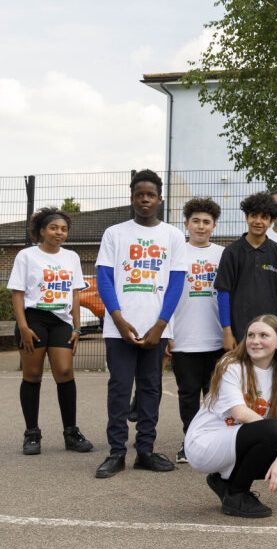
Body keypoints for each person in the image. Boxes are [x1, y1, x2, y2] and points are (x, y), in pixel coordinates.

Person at [94, 169, 187, 478]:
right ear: (132, 198)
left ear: (159, 199)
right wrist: (118, 319)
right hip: (119, 327)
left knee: (150, 388)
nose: (144, 199)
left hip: (155, 327)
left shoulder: (173, 235)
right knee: (119, 388)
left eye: (150, 194)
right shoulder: (115, 233)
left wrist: (161, 325)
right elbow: (104, 279)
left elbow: (176, 283)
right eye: (139, 194)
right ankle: (117, 452)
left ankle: (145, 450)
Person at [184, 315, 277, 518]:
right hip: (206, 442)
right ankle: (237, 495)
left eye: (263, 335)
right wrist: (273, 435)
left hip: (235, 441)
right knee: (273, 430)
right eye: (251, 335)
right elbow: (239, 413)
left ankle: (224, 482)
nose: (255, 341)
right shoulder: (231, 365)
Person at [8, 207, 91, 455]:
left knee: (65, 372)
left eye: (64, 229)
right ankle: (32, 433)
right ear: (42, 230)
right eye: (54, 228)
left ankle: (71, 433)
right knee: (32, 375)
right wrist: (23, 327)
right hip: (34, 319)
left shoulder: (71, 257)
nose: (59, 232)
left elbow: (75, 294)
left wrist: (77, 327)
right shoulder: (26, 256)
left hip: (61, 321)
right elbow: (17, 293)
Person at [169, 198, 226, 464]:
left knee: (214, 395)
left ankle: (211, 440)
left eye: (206, 222)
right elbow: (165, 295)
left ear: (214, 226)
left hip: (216, 338)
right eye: (195, 221)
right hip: (184, 338)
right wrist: (167, 332)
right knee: (188, 394)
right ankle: (189, 440)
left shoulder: (223, 254)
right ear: (186, 224)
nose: (200, 227)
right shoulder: (176, 252)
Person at [214, 192, 277, 351]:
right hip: (240, 333)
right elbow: (223, 293)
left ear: (271, 221)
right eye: (254, 215)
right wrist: (227, 332)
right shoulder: (231, 252)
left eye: (264, 217)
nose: (258, 221)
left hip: (271, 332)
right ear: (246, 217)